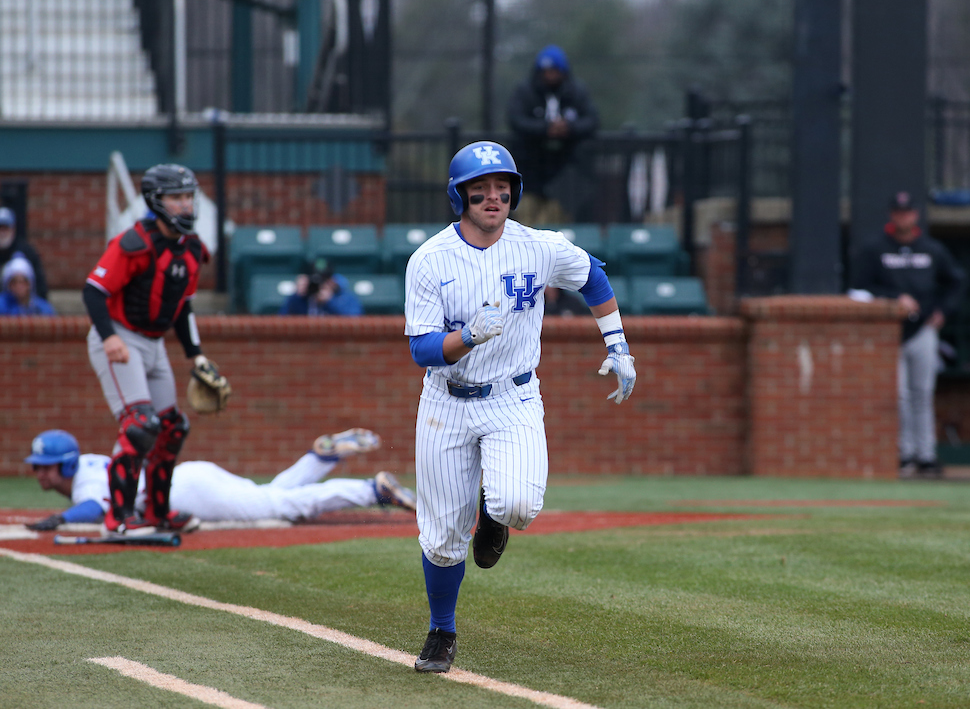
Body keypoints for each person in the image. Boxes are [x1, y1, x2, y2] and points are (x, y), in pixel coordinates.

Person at [403, 140, 636, 673]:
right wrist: (465, 338)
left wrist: (617, 344)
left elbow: (592, 276)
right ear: (459, 197)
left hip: (514, 395)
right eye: (480, 190)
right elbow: (421, 350)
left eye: (501, 190)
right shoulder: (430, 259)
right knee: (441, 539)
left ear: (515, 194)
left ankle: (491, 514)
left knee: (518, 507)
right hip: (448, 401)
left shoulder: (538, 246)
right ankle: (442, 630)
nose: (492, 198)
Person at [82, 163, 225, 536]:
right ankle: (117, 519)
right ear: (155, 201)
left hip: (154, 342)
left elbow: (183, 305)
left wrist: (196, 355)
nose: (184, 205)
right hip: (118, 336)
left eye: (187, 197)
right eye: (175, 198)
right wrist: (109, 337)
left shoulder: (192, 250)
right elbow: (93, 291)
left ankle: (156, 512)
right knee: (140, 425)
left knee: (172, 427)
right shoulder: (134, 241)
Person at [22, 428, 415, 532]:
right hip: (190, 478)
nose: (39, 471)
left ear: (66, 465)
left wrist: (61, 519)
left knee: (283, 508)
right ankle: (319, 459)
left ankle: (370, 489)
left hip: (190, 493)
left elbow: (94, 507)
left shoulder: (84, 483)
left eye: (45, 465)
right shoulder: (90, 463)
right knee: (268, 495)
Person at [850, 191, 966, 478]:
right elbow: (857, 289)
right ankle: (902, 454)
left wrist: (942, 312)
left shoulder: (931, 249)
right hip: (888, 333)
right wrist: (893, 299)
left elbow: (956, 282)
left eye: (908, 212)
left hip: (923, 328)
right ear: (892, 214)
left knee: (922, 394)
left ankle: (925, 455)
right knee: (898, 395)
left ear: (915, 216)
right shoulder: (874, 248)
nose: (904, 217)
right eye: (899, 212)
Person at [506, 44, 599, 226]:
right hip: (529, 170)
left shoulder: (577, 91)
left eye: (554, 71)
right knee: (526, 224)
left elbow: (592, 120)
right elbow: (515, 120)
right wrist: (545, 128)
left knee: (555, 227)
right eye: (546, 71)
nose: (550, 76)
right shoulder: (525, 91)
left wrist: (568, 128)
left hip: (566, 171)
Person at [280, 258, 362, 316]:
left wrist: (330, 302)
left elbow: (356, 323)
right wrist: (296, 297)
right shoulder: (300, 298)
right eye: (315, 279)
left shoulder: (345, 298)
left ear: (332, 280)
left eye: (324, 279)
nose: (319, 283)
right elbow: (281, 320)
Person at [0, 206, 49, 301]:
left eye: (5, 228)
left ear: (13, 229)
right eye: (0, 228)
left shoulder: (26, 252)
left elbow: (40, 285)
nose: (2, 233)